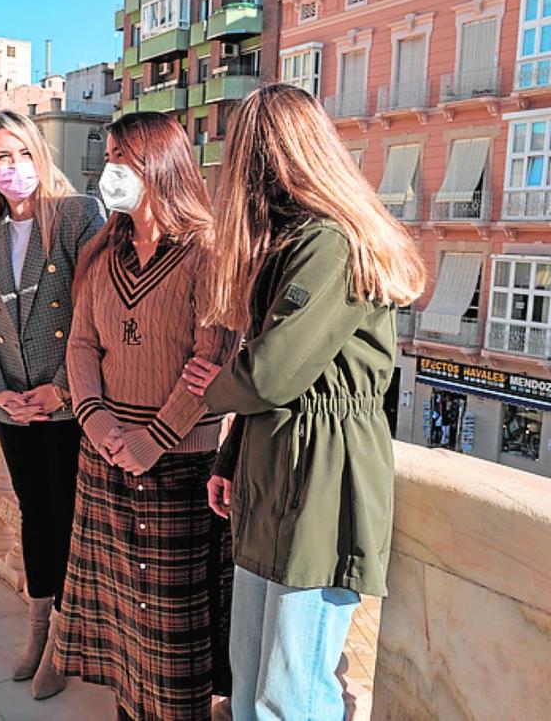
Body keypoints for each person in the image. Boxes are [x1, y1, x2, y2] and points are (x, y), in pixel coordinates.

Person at [183, 84, 426, 721]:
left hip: (323, 477)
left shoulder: (332, 243)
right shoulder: (297, 242)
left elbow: (272, 374)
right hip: (281, 470)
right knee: (252, 687)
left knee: (291, 695)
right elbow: (278, 378)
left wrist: (211, 387)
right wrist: (231, 458)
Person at [56, 111, 238, 721]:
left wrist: (154, 439)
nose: (109, 170)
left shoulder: (207, 252)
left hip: (179, 469)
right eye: (108, 157)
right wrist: (97, 422)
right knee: (122, 628)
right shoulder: (102, 252)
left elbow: (210, 360)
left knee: (174, 637)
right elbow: (82, 344)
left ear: (159, 164)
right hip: (106, 459)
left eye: (122, 158)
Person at [0, 109, 104, 699]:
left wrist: (64, 388)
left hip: (66, 405)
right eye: (2, 156)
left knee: (66, 518)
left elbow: (96, 311)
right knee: (34, 516)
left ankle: (63, 644)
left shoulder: (77, 215)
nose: (13, 167)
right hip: (15, 409)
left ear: (40, 157)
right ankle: (39, 629)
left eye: (23, 153)